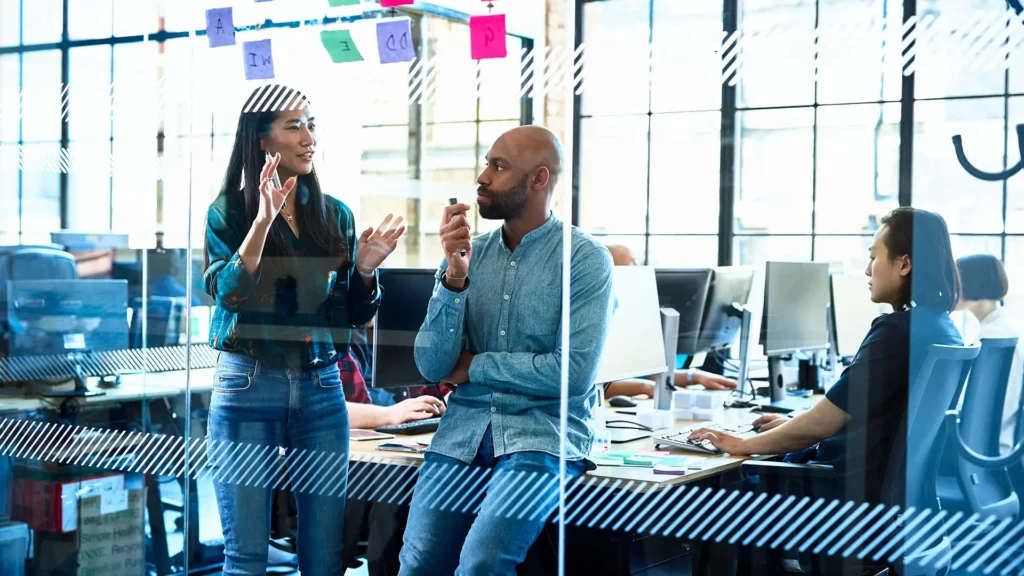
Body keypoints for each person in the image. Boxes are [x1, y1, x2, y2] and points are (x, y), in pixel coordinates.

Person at [203, 84, 404, 576]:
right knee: (247, 558)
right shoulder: (228, 212)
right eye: (294, 126)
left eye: (311, 123)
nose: (308, 136)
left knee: (323, 558)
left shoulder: (333, 214)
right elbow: (229, 291)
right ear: (261, 139)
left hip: (321, 387)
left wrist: (364, 272)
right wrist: (263, 220)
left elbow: (351, 318)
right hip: (249, 382)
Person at [397, 126, 615, 575]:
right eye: (486, 163)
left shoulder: (585, 259)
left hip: (542, 435)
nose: (482, 177)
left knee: (483, 562)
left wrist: (474, 365)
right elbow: (433, 364)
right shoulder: (467, 253)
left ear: (538, 180)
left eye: (498, 167)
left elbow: (570, 374)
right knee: (417, 564)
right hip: (462, 433)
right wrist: (453, 280)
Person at [691, 207, 963, 506]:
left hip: (840, 500)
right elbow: (880, 422)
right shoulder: (942, 329)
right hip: (890, 502)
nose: (868, 269)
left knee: (713, 490)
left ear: (904, 264)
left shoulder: (896, 332)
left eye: (874, 257)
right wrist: (792, 424)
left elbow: (823, 424)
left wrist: (741, 443)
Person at [602, 243, 737, 398]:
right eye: (631, 264)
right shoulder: (598, 319)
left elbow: (648, 373)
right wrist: (647, 387)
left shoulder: (629, 316)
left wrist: (694, 377)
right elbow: (595, 382)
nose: (639, 268)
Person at [956, 254, 1023, 454]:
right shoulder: (1003, 330)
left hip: (981, 448)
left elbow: (979, 408)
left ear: (973, 284)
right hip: (989, 443)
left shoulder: (992, 337)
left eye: (955, 281)